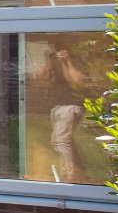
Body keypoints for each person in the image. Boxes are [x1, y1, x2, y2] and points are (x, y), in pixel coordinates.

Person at [33, 41, 91, 183]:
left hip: (71, 105)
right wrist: (48, 61)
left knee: (61, 141)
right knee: (65, 141)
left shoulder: (75, 60)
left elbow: (78, 81)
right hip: (57, 106)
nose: (57, 52)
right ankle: (79, 173)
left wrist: (68, 61)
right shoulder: (52, 61)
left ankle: (69, 176)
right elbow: (38, 76)